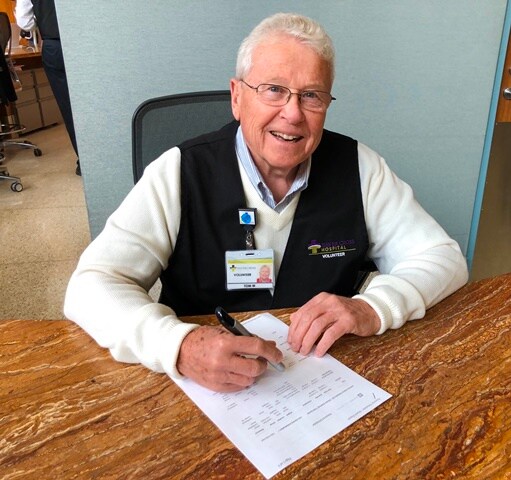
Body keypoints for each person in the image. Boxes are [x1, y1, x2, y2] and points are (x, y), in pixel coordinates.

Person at [64, 13, 468, 393]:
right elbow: (91, 285)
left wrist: (374, 308)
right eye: (273, 90)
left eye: (311, 96)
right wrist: (178, 346)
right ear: (237, 97)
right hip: (204, 392)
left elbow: (443, 258)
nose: (292, 114)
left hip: (322, 384)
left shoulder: (360, 167)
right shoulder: (178, 171)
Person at [15, 0, 81, 175]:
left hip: (54, 45)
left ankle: (86, 161)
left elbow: (25, 22)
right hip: (84, 40)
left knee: (69, 108)